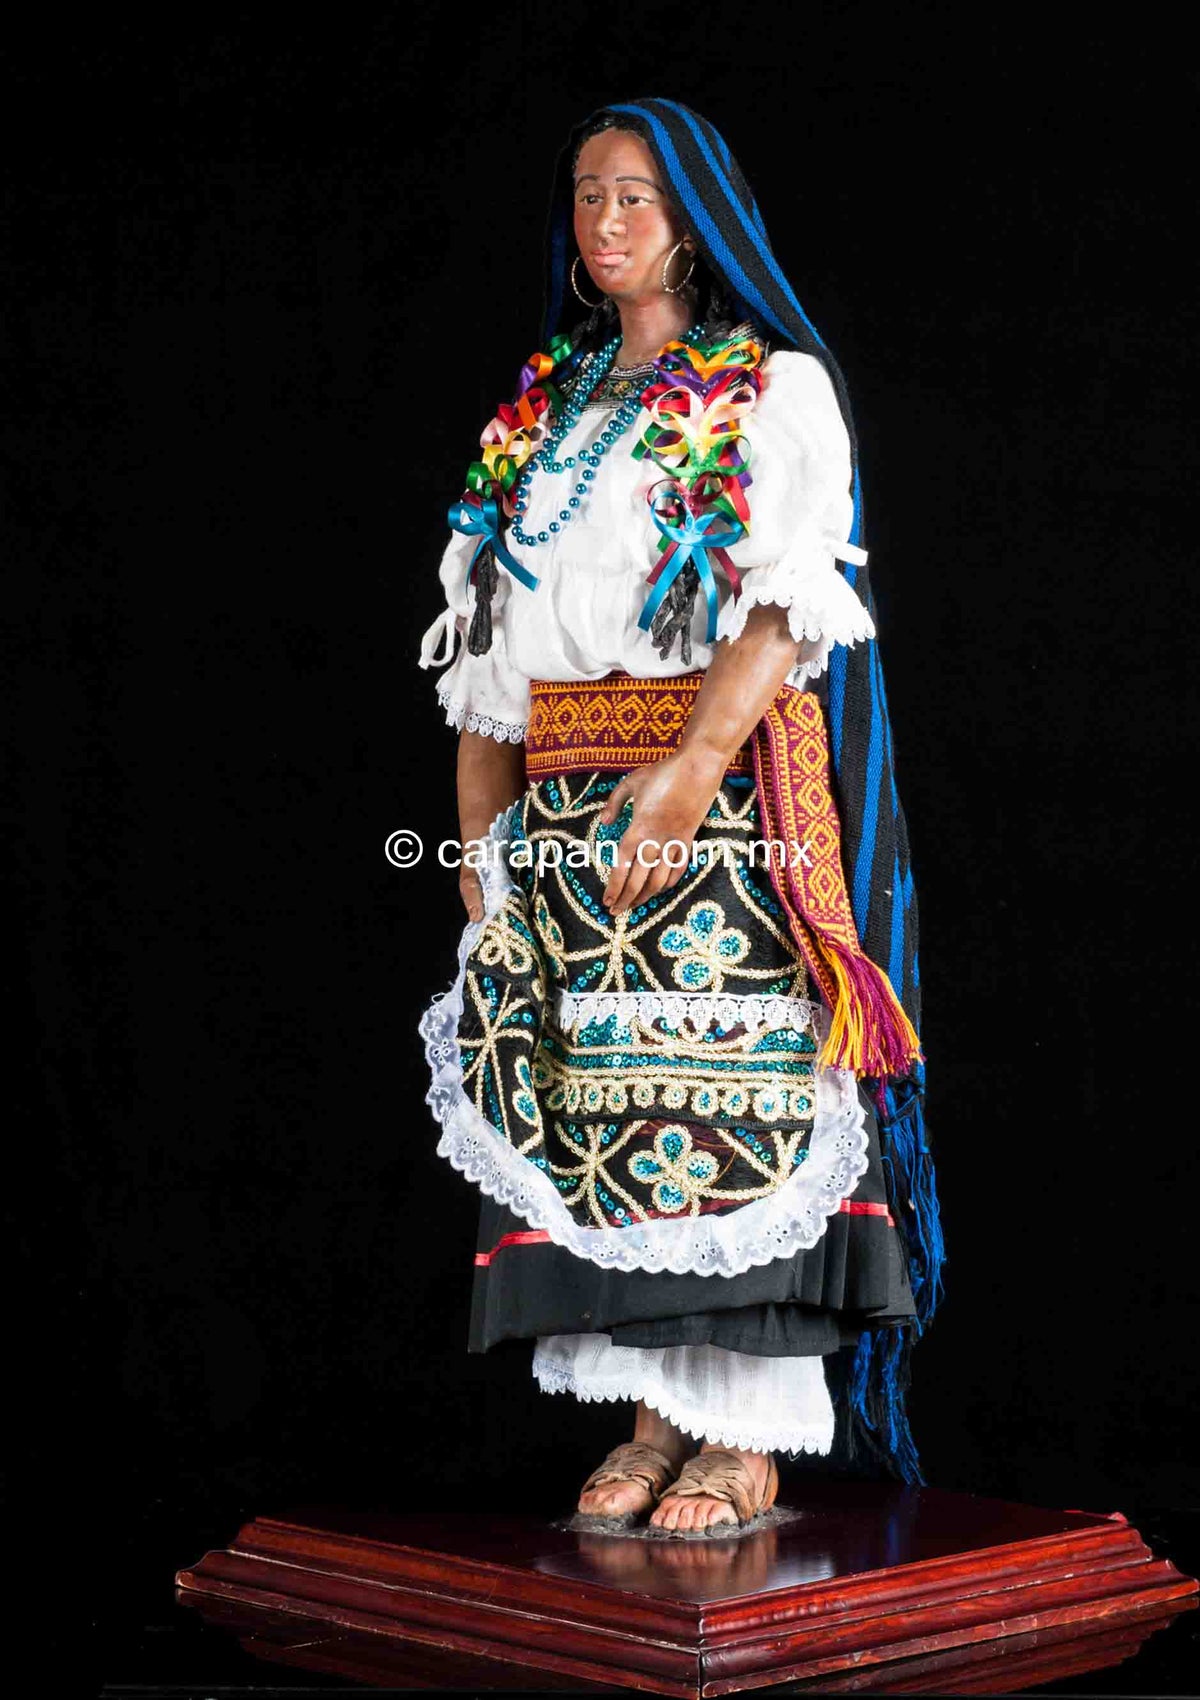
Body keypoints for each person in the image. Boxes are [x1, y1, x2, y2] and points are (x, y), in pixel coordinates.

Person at [418, 98, 944, 1534]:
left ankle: (747, 1435)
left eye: (635, 198)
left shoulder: (770, 390)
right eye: (587, 197)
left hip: (710, 801)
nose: (606, 224)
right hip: (567, 800)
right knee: (607, 1100)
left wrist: (694, 771)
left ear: (696, 213)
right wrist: (483, 832)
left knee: (727, 1093)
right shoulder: (541, 417)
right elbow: (486, 649)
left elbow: (785, 604)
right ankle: (657, 1418)